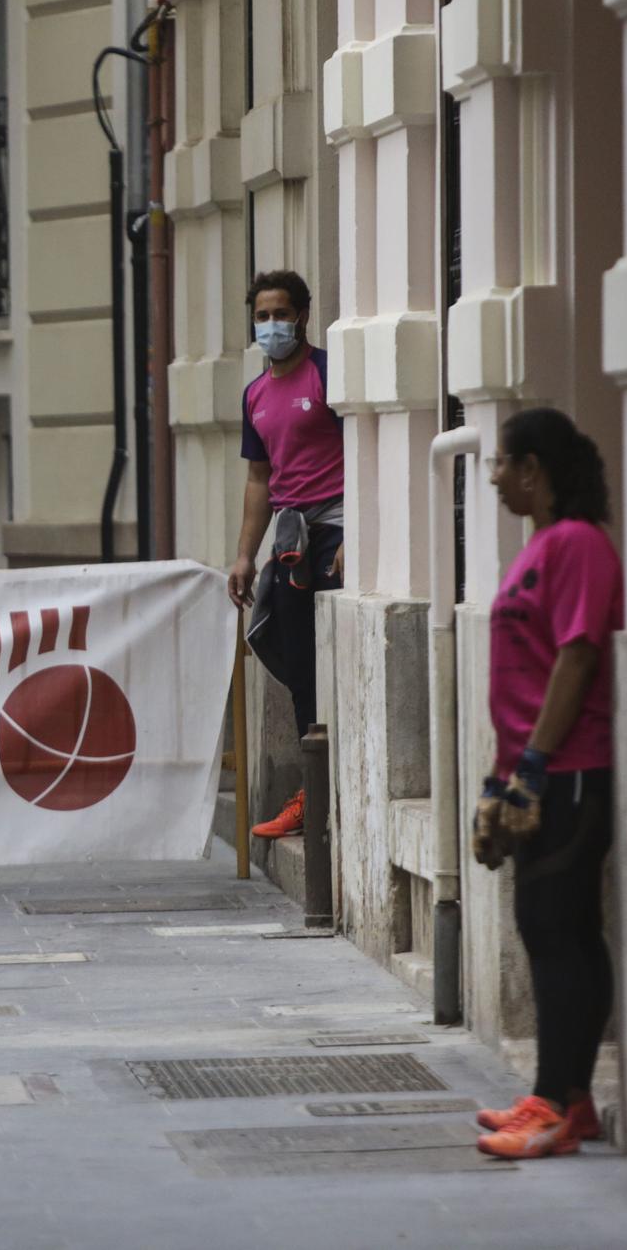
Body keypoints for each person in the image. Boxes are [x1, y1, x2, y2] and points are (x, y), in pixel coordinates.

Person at [470, 407, 622, 1160]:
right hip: (537, 773)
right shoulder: (540, 548)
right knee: (562, 929)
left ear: (534, 469)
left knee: (553, 928)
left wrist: (534, 764)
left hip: (570, 772)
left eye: (501, 461)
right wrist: (504, 777)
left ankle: (554, 1105)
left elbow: (577, 656)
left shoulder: (580, 547)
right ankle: (574, 1099)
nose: (492, 474)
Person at [226, 269, 344, 839]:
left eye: (282, 314)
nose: (273, 325)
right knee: (295, 661)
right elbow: (258, 480)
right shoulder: (254, 394)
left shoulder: (328, 372)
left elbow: (367, 451)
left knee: (332, 660)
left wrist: (358, 537)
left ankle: (338, 787)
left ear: (303, 315)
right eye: (263, 315)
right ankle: (314, 792)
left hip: (337, 527)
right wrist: (245, 556)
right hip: (290, 537)